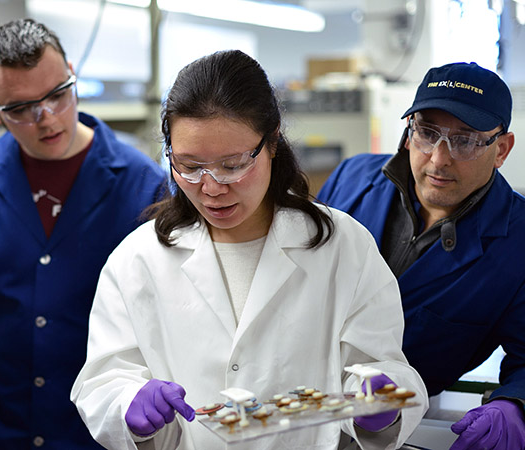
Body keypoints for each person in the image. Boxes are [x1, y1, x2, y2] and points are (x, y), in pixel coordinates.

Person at [70, 49, 427, 450]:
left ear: (272, 142)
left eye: (233, 163)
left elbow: (385, 371)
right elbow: (103, 383)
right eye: (188, 165)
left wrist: (384, 401)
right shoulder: (137, 259)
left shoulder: (344, 247)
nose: (211, 187)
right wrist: (128, 405)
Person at [0, 19, 167, 449]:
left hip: (97, 434)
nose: (47, 118)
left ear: (72, 72)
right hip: (0, 430)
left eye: (57, 94)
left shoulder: (143, 186)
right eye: (21, 108)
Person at [317, 62, 525, 449]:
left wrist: (516, 404)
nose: (438, 159)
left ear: (502, 149)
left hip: (394, 428)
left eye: (464, 140)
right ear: (407, 133)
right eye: (427, 133)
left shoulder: (523, 241)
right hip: (296, 407)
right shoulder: (351, 179)